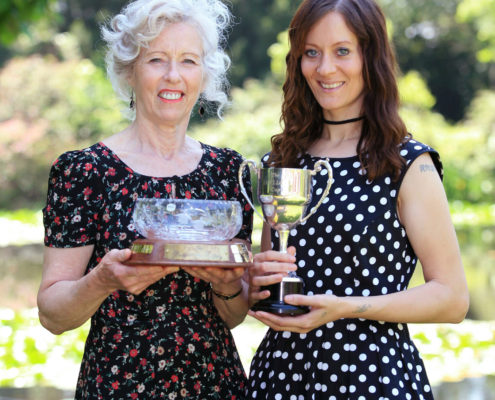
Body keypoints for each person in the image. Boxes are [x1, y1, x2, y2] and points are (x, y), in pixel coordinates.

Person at [246, 0, 469, 399]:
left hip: (371, 378)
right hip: (280, 377)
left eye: (342, 51)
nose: (325, 68)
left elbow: (452, 299)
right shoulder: (283, 161)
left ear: (371, 57)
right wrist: (253, 282)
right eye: (311, 53)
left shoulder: (407, 164)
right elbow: (270, 285)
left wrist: (347, 307)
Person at [37, 0, 253, 398]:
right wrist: (101, 281)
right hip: (118, 385)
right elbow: (52, 315)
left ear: (204, 74)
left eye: (188, 61)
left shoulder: (229, 171)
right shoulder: (84, 171)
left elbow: (234, 315)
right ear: (129, 70)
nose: (174, 75)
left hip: (216, 386)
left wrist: (227, 286)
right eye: (156, 59)